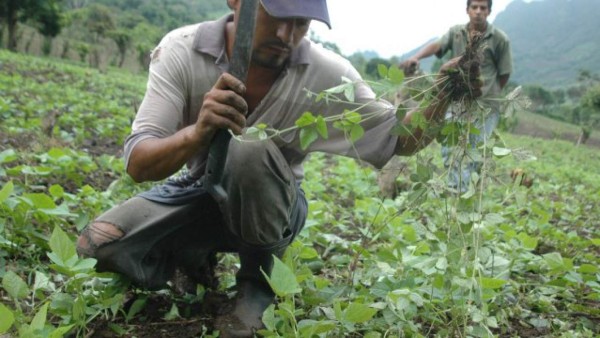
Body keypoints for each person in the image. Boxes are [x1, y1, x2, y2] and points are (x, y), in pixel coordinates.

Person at [76, 0, 481, 336]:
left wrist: (444, 91)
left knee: (248, 149)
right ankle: (190, 255)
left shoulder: (328, 74)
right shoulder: (182, 50)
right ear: (237, 2)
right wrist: (198, 132)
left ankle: (258, 284)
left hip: (274, 208)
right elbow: (139, 163)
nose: (287, 36)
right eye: (278, 17)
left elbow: (399, 139)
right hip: (198, 191)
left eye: (301, 23)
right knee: (99, 244)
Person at [402, 0, 512, 193]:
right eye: (474, 7)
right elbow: (437, 46)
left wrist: (489, 93)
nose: (478, 12)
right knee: (449, 144)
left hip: (484, 105)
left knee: (475, 149)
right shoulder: (456, 33)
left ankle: (467, 192)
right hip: (456, 101)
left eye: (483, 8)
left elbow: (504, 74)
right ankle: (455, 190)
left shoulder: (499, 39)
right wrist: (416, 57)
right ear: (467, 10)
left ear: (489, 11)